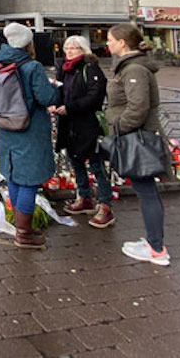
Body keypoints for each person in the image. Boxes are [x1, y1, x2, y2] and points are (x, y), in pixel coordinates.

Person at [105, 24, 170, 266]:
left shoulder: (134, 70)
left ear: (123, 43)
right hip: (136, 136)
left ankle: (156, 248)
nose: (107, 43)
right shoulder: (131, 67)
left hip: (138, 138)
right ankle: (153, 242)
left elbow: (138, 107)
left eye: (111, 40)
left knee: (147, 193)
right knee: (146, 192)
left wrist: (118, 128)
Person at [0, 22, 60, 249]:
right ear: (27, 42)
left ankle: (21, 226)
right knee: (29, 180)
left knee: (13, 175)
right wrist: (55, 89)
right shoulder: (31, 67)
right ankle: (24, 233)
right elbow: (46, 97)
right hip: (29, 128)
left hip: (6, 126)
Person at [52, 35, 114, 228]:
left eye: (74, 48)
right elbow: (61, 93)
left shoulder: (90, 68)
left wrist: (71, 107)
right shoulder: (64, 70)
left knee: (96, 164)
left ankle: (105, 205)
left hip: (87, 124)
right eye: (67, 48)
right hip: (69, 124)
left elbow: (95, 96)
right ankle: (84, 197)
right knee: (75, 161)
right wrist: (55, 103)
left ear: (83, 50)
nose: (69, 51)